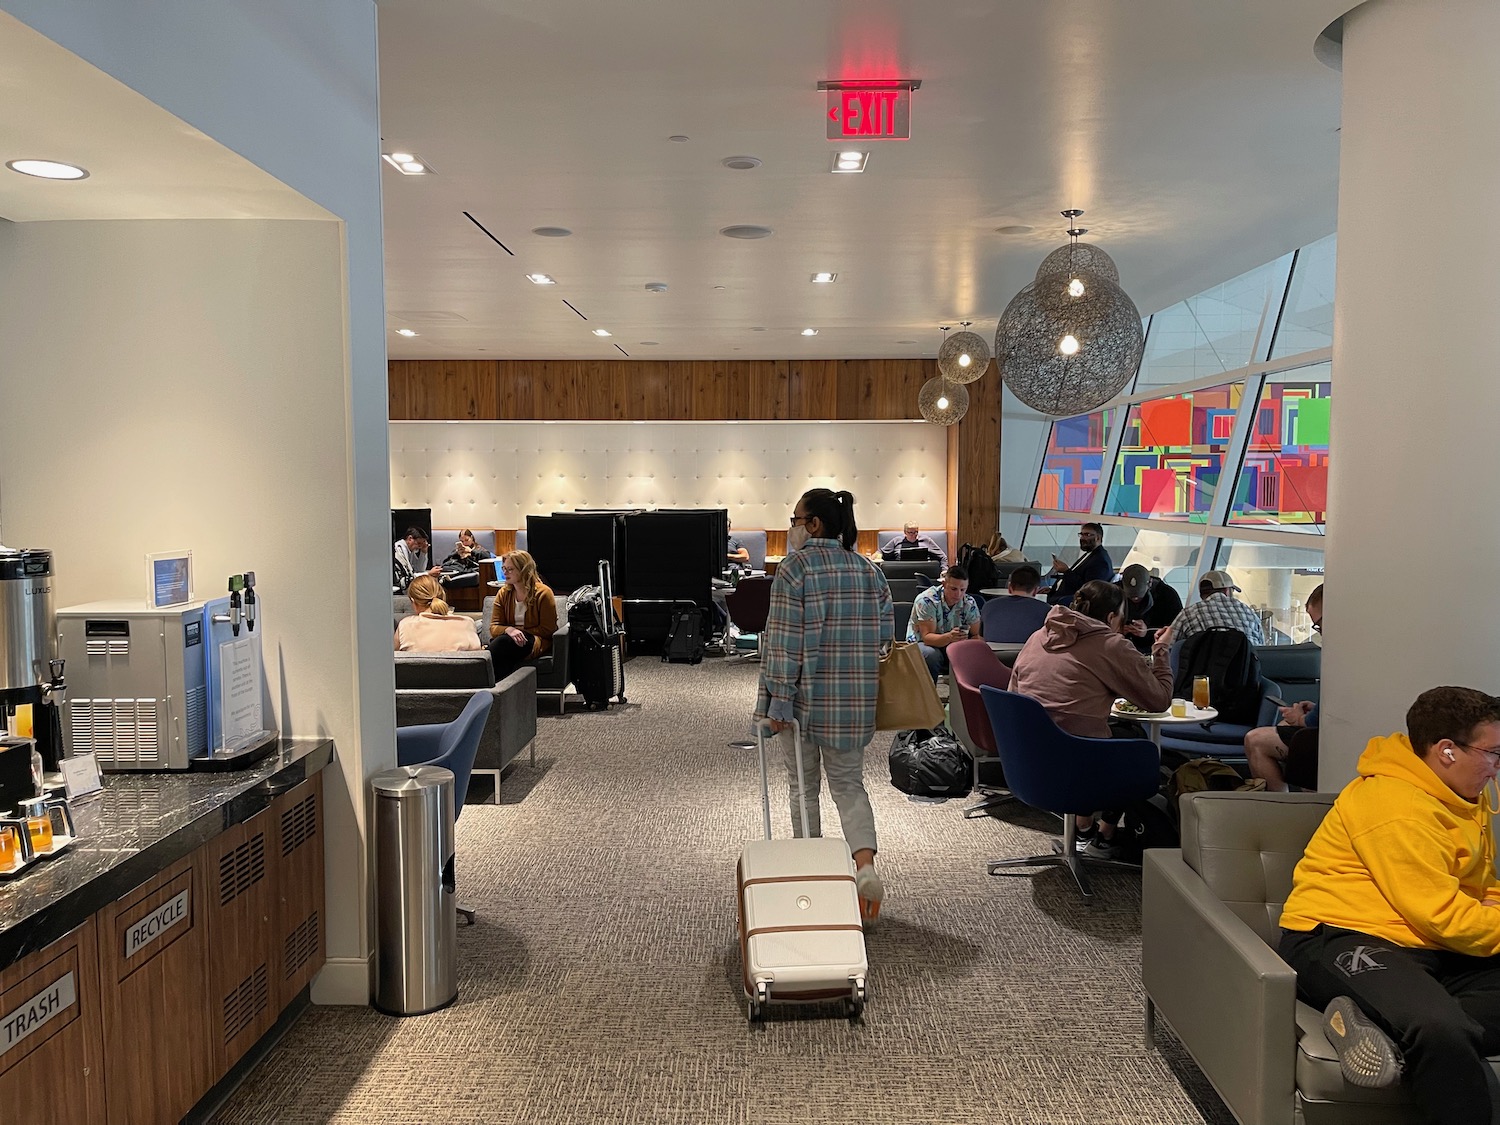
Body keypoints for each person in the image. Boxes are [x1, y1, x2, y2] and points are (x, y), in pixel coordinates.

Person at [1278, 686, 1500, 1123]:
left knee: (1433, 1020)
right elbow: (1442, 916)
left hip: (1429, 947)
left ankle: (1376, 1025)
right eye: (1493, 752)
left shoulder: (1468, 796)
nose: (1496, 767)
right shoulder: (1395, 805)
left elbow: (1481, 887)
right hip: (1339, 936)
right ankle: (1405, 1020)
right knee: (1440, 1030)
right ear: (1447, 751)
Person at [756, 488, 894, 925]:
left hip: (801, 702)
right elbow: (885, 640)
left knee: (802, 786)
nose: (792, 527)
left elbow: (782, 641)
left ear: (813, 524)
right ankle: (865, 868)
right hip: (853, 701)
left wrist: (776, 701)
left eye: (795, 519)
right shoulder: (870, 572)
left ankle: (812, 869)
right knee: (850, 787)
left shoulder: (794, 569)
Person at [1010, 579, 1174, 858]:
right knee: (1136, 743)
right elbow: (1158, 700)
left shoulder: (1039, 635)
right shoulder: (1110, 644)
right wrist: (1161, 651)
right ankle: (1106, 833)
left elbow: (1014, 691)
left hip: (1027, 759)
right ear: (1111, 617)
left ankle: (1084, 827)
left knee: (1105, 732)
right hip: (1075, 762)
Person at [1245, 584, 1324, 790]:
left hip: (1334, 738)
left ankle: (1280, 806)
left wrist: (1301, 718)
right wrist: (1314, 711)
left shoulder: (1343, 656)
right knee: (1284, 728)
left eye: (1320, 625)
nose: (1321, 633)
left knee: (1256, 740)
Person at [486, 550, 559, 681]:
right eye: (504, 568)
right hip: (508, 639)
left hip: (535, 639)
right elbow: (493, 627)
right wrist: (509, 630)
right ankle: (503, 691)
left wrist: (518, 632)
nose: (505, 572)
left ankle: (492, 690)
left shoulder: (543, 593)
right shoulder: (504, 593)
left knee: (502, 644)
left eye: (510, 569)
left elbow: (548, 630)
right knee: (503, 650)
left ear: (523, 570)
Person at [907, 564, 982, 680]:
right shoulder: (927, 600)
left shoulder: (969, 602)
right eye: (953, 589)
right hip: (924, 643)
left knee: (976, 652)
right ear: (944, 584)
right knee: (931, 655)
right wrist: (949, 637)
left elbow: (976, 635)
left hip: (953, 643)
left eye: (963, 590)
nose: (958, 594)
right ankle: (928, 695)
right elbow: (927, 638)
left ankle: (963, 694)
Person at [1169, 569, 1266, 647]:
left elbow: (1168, 646)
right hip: (1246, 669)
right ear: (1226, 591)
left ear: (1201, 594)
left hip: (1204, 669)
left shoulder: (1189, 613)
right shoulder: (1247, 611)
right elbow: (1261, 646)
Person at [395, 575, 482, 652]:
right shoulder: (467, 623)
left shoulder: (406, 625)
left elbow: (391, 661)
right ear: (443, 596)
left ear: (413, 602)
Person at [1117, 563, 1185, 655]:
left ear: (1150, 583)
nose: (1135, 599)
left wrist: (1147, 632)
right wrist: (1117, 629)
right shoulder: (1113, 593)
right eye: (1130, 596)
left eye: (1139, 596)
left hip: (1153, 650)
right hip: (1120, 648)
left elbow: (1175, 632)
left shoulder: (1167, 596)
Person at [979, 564, 1051, 642]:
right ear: (1035, 591)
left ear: (1009, 587)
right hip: (1029, 652)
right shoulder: (1046, 610)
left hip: (994, 653)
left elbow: (981, 638)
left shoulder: (988, 606)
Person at [1046, 523, 1113, 606]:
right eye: (1081, 534)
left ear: (1098, 538)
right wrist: (1052, 590)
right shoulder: (1090, 555)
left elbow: (1088, 589)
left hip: (1067, 601)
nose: (1082, 538)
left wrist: (1066, 571)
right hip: (1060, 596)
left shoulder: (1100, 561)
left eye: (1087, 535)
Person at [878, 523, 948, 569]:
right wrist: (877, 556)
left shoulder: (926, 540)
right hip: (901, 569)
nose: (914, 535)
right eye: (911, 532)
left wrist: (944, 571)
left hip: (923, 568)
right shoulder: (897, 540)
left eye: (916, 532)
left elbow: (943, 557)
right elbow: (881, 552)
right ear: (905, 532)